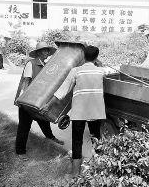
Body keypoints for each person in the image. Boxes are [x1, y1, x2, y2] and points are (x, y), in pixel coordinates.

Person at [42, 45, 106, 175]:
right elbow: (101, 67)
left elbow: (62, 90)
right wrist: (97, 62)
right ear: (96, 57)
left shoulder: (76, 71)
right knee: (96, 139)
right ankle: (100, 172)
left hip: (79, 112)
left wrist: (49, 105)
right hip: (96, 111)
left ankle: (76, 174)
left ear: (83, 57)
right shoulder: (101, 71)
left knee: (77, 142)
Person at [14, 42, 64, 156]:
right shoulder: (30, 64)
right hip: (27, 101)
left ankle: (50, 137)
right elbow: (26, 81)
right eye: (44, 51)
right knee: (24, 127)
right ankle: (20, 152)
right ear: (38, 52)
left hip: (39, 100)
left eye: (47, 51)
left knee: (44, 120)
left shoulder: (46, 65)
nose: (47, 53)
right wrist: (24, 100)